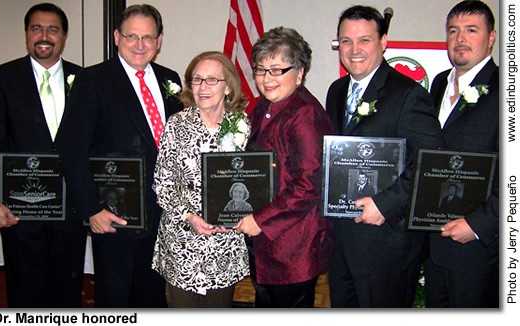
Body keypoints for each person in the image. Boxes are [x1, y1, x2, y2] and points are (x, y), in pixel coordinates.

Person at [56, 4, 183, 307]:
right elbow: (70, 149)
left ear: (160, 40)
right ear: (117, 37)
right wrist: (91, 210)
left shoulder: (170, 78)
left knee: (152, 296)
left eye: (148, 37)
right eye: (132, 36)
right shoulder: (93, 80)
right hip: (115, 216)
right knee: (115, 299)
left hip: (163, 215)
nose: (140, 45)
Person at [325, 5, 443, 307]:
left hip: (387, 244)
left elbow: (430, 162)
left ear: (383, 42)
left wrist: (385, 204)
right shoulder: (336, 91)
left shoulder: (408, 94)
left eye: (364, 40)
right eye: (346, 41)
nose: (354, 50)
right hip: (342, 242)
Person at [0, 3, 85, 308]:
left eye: (53, 29)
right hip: (21, 208)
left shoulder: (84, 79)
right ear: (26, 34)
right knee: (25, 288)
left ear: (63, 36)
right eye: (36, 28)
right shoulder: (2, 78)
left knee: (68, 287)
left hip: (70, 207)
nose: (44, 35)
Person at [233, 27, 334, 308]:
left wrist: (260, 220)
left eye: (277, 69)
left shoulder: (304, 115)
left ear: (299, 72)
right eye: (261, 70)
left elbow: (308, 186)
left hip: (293, 247)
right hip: (265, 243)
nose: (267, 79)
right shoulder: (261, 107)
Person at [152, 51, 250, 308]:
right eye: (197, 80)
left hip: (224, 243)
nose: (203, 87)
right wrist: (190, 217)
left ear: (227, 87)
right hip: (183, 241)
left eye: (211, 80)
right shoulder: (176, 125)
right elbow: (163, 183)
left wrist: (237, 217)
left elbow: (254, 181)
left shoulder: (243, 126)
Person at [426, 0, 499, 308]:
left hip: (477, 247)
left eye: (471, 30)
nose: (460, 39)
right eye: (453, 30)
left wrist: (480, 225)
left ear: (492, 37)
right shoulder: (440, 83)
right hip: (433, 239)